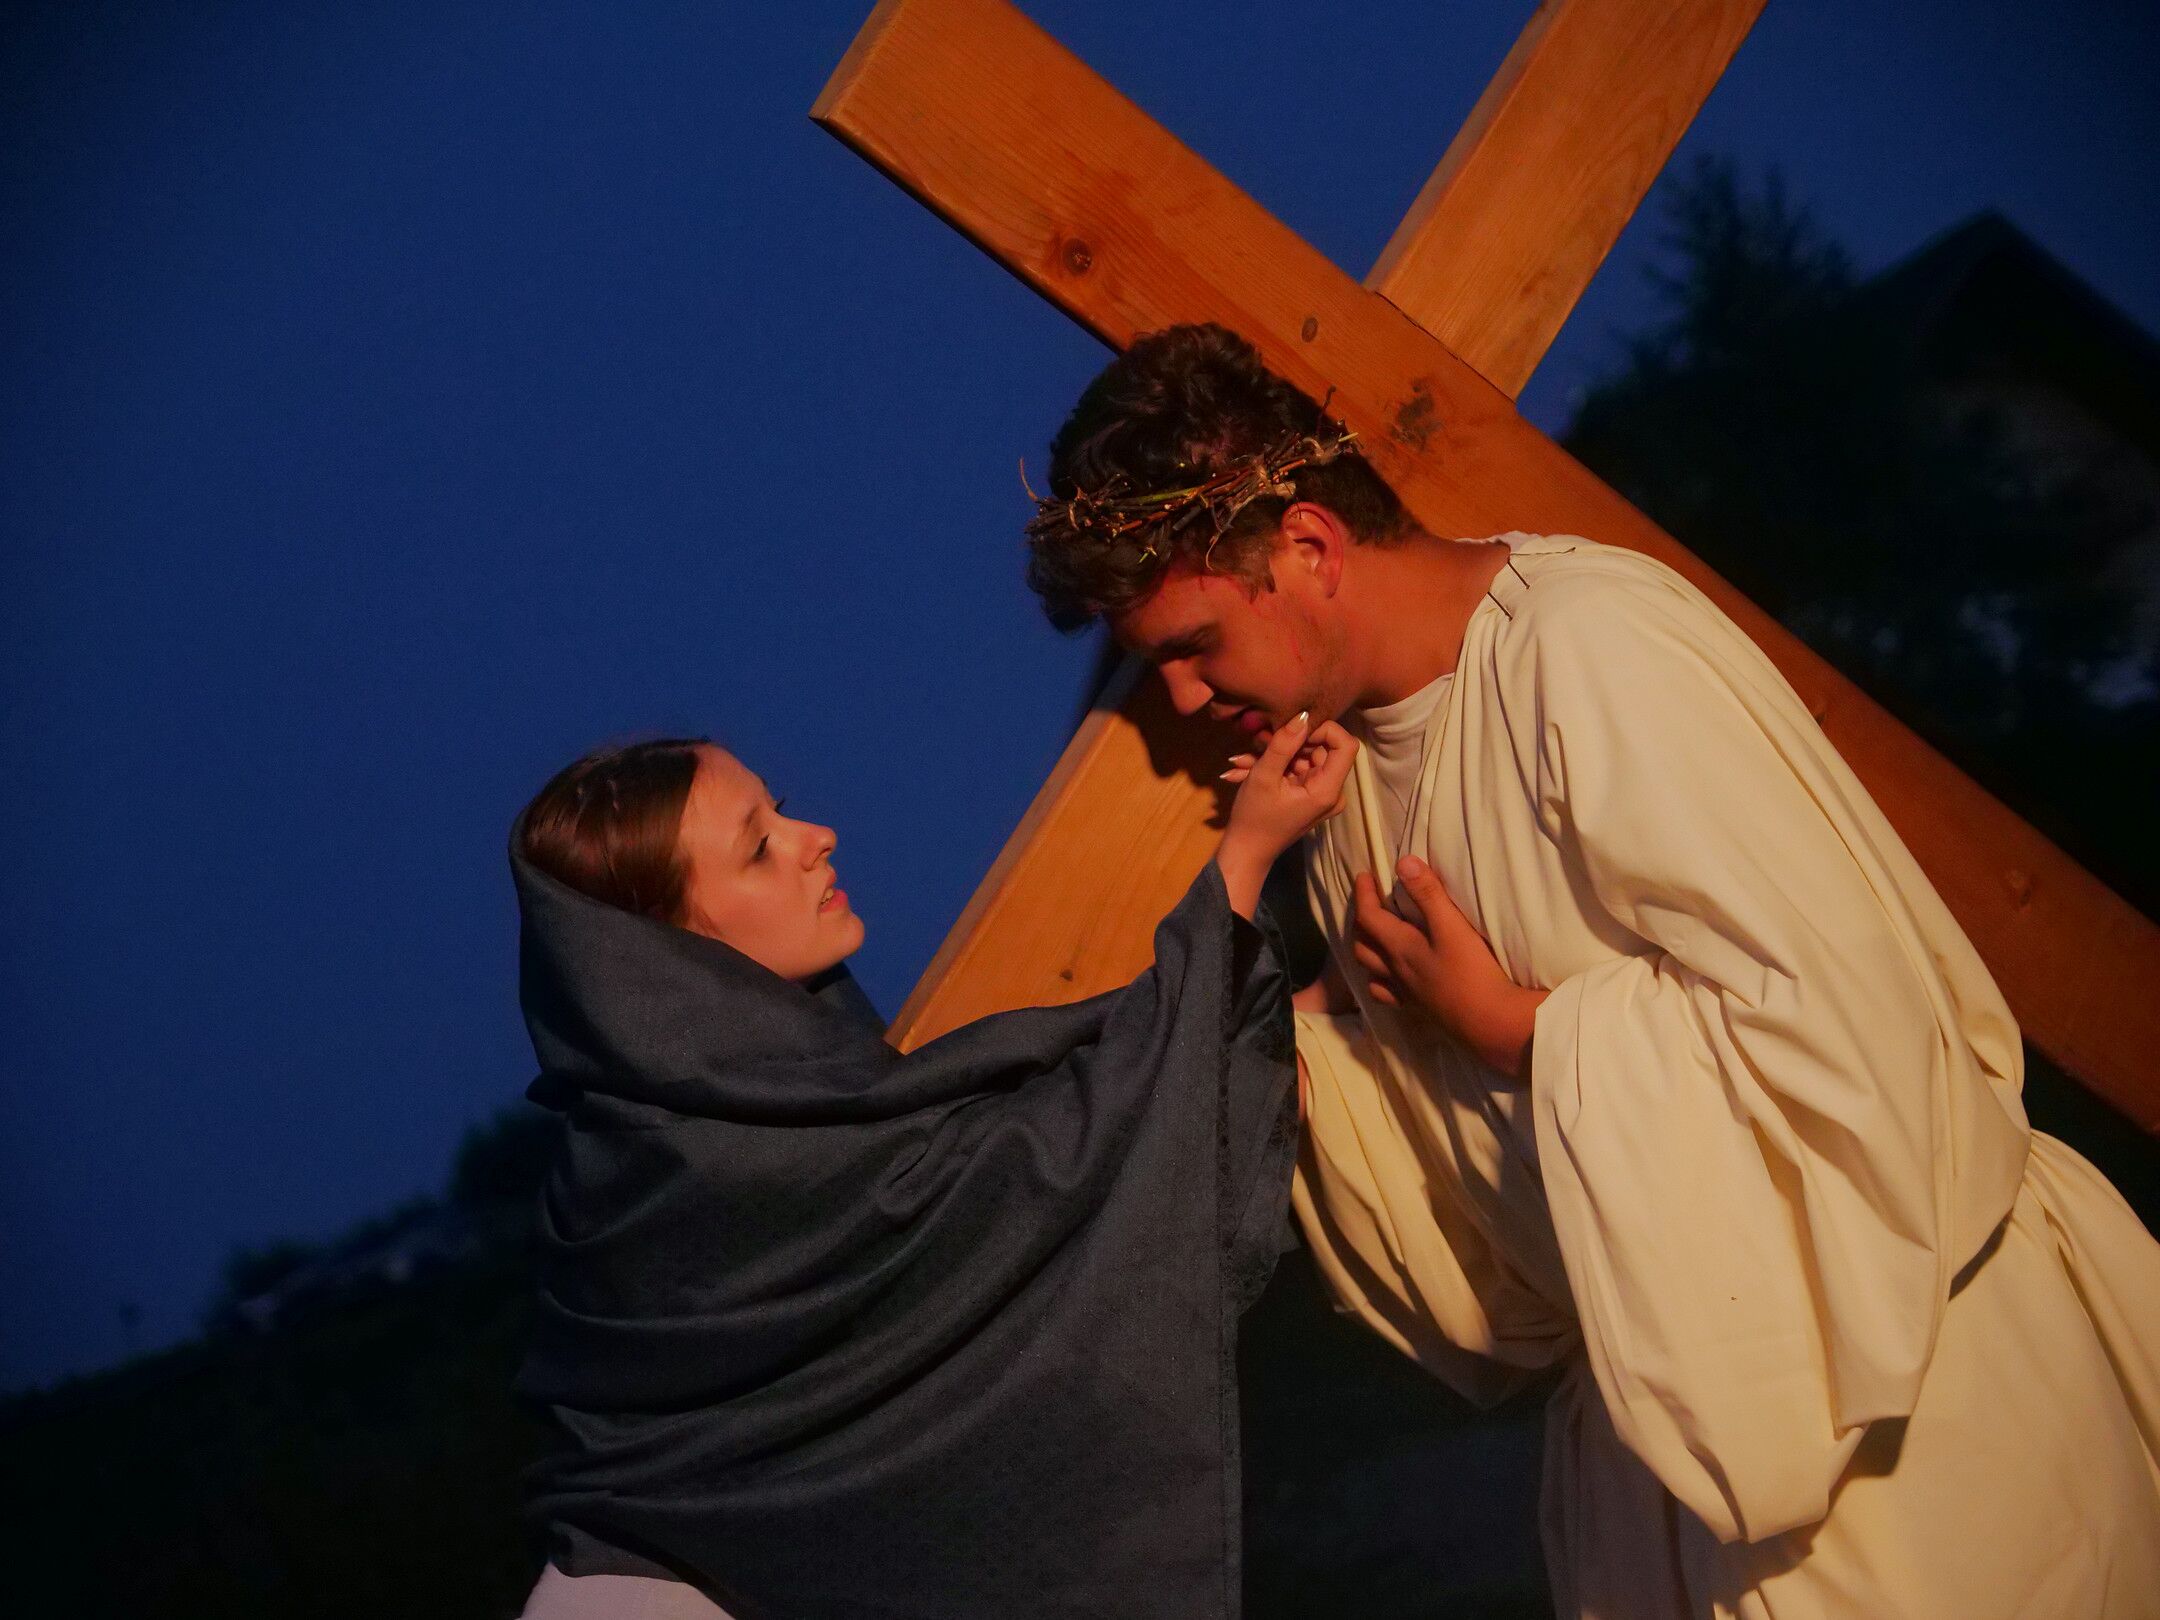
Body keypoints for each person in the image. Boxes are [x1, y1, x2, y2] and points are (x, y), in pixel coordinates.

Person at [1024, 322, 2160, 1617]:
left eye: (1192, 643)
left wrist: (1518, 1030)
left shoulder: (1588, 647)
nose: (1177, 700)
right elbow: (1491, 1249)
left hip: (1918, 1428)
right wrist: (1301, 1043)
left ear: (1311, 547)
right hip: (1672, 1485)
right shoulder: (1342, 802)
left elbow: (1847, 1015)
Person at [509, 720, 1355, 1620]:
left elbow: (1017, 1149)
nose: (814, 837)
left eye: (781, 811)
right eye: (759, 848)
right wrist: (1245, 856)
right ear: (673, 959)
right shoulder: (704, 1163)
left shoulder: (669, 1136)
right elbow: (1056, 1157)